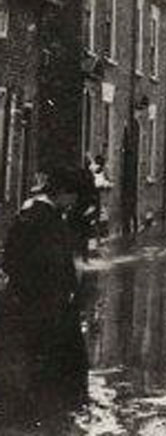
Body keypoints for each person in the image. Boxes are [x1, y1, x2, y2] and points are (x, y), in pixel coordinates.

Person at [0, 165, 89, 425]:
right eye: (73, 197)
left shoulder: (46, 217)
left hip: (48, 308)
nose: (74, 204)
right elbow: (20, 262)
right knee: (42, 371)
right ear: (62, 193)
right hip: (42, 311)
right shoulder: (40, 219)